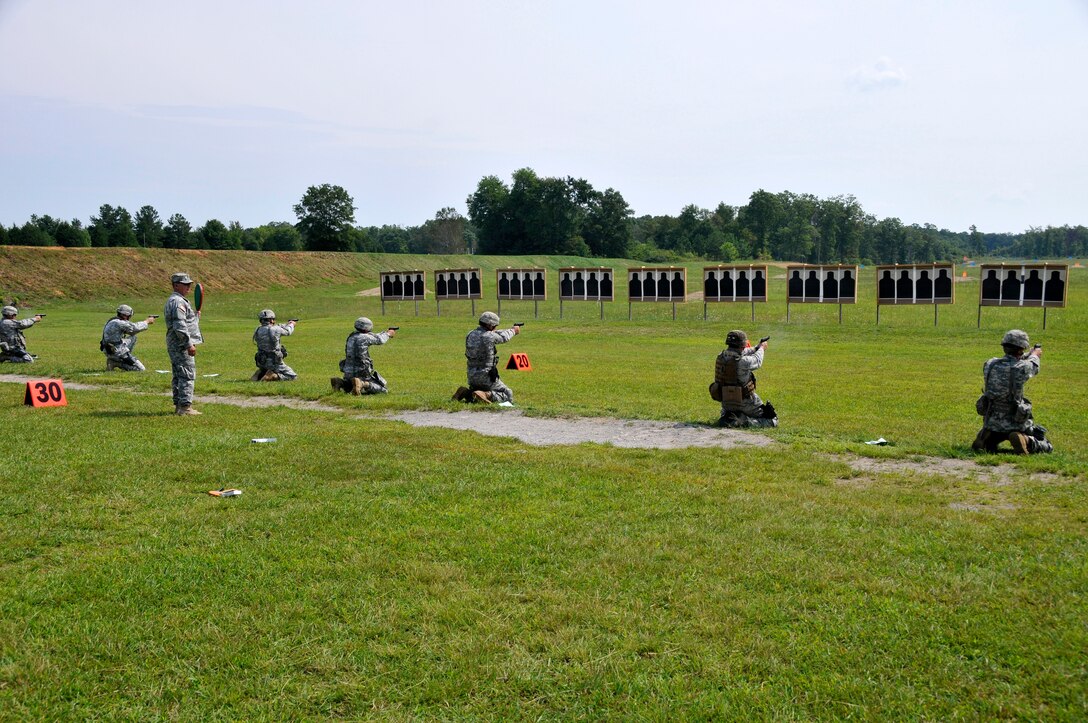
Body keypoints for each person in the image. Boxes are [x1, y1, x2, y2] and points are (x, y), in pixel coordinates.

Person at [972, 329, 1052, 454]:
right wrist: (1034, 354)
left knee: (993, 436)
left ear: (1004, 347)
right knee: (1043, 442)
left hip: (992, 420)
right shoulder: (1022, 368)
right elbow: (1033, 366)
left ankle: (986, 437)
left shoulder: (990, 364)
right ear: (1021, 349)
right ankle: (1025, 440)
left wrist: (1025, 355)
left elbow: (1011, 363)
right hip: (1016, 421)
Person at [710, 329, 778, 428]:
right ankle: (744, 422)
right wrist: (762, 348)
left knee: (731, 409)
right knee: (772, 420)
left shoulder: (721, 356)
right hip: (745, 403)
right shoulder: (743, 362)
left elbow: (741, 352)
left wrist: (756, 347)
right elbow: (757, 360)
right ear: (742, 345)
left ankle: (728, 415)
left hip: (726, 403)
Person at [454, 311, 520, 404]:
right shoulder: (489, 336)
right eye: (495, 326)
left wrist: (509, 329)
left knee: (475, 393)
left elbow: (493, 333)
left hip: (471, 375)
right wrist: (513, 331)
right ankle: (486, 395)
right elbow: (504, 338)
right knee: (507, 394)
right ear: (490, 325)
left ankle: (466, 392)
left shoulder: (470, 334)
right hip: (486, 376)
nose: (495, 328)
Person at [164, 272, 203, 416]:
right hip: (180, 345)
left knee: (179, 375)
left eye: (189, 284)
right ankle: (185, 407)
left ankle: (179, 406)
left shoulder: (176, 301)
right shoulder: (178, 302)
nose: (188, 287)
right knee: (187, 374)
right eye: (185, 284)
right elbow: (179, 326)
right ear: (176, 285)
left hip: (176, 343)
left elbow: (185, 321)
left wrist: (195, 317)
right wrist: (188, 344)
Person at [332, 317, 396, 394]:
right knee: (383, 390)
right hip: (362, 371)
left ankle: (341, 382)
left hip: (348, 371)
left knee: (350, 387)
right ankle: (362, 384)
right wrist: (389, 334)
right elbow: (380, 340)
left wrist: (384, 333)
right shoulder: (366, 337)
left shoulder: (351, 336)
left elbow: (372, 336)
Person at [101, 304, 156, 370]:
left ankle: (117, 359)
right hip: (117, 351)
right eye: (129, 316)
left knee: (133, 337)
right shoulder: (119, 323)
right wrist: (147, 321)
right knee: (140, 369)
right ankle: (116, 363)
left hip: (110, 349)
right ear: (125, 315)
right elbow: (135, 328)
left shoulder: (113, 320)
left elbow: (131, 332)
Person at [251, 309, 297, 381]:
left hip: (261, 361)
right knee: (292, 376)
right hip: (274, 361)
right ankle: (272, 375)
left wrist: (286, 323)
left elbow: (276, 327)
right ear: (271, 320)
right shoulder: (276, 329)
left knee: (264, 368)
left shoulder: (258, 329)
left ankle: (259, 373)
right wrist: (292, 324)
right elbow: (288, 332)